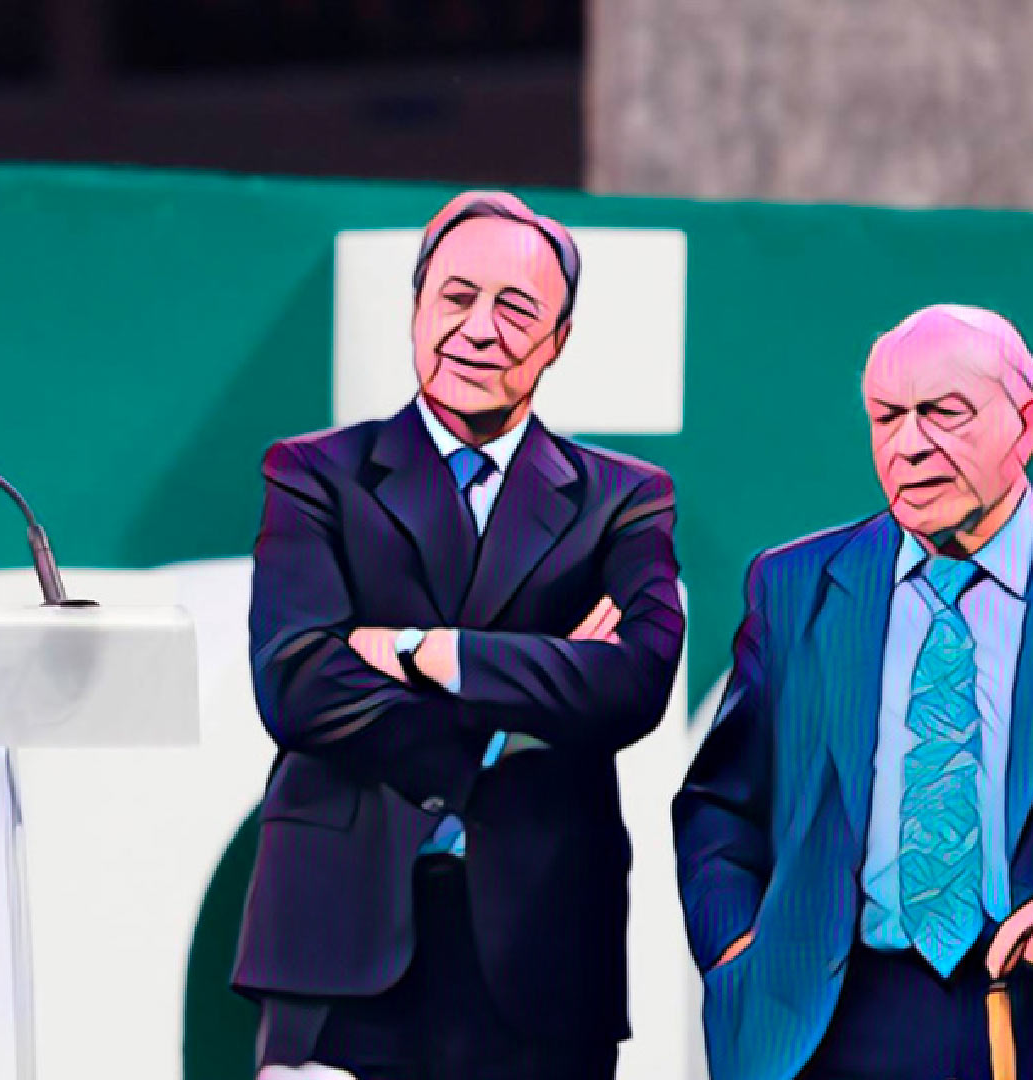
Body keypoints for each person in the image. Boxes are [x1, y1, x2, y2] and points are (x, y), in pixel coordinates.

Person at [675, 305, 1033, 1080]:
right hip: (833, 1027)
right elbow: (721, 804)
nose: (909, 444)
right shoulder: (793, 587)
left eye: (942, 414)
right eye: (887, 417)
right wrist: (741, 952)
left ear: (1027, 424)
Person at [233, 190, 685, 1080]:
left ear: (556, 341)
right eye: (455, 296)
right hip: (338, 944)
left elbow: (634, 683)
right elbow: (297, 682)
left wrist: (419, 651)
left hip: (545, 950)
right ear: (415, 308)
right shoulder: (315, 474)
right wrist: (518, 717)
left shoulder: (625, 499)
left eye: (517, 310)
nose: (479, 329)